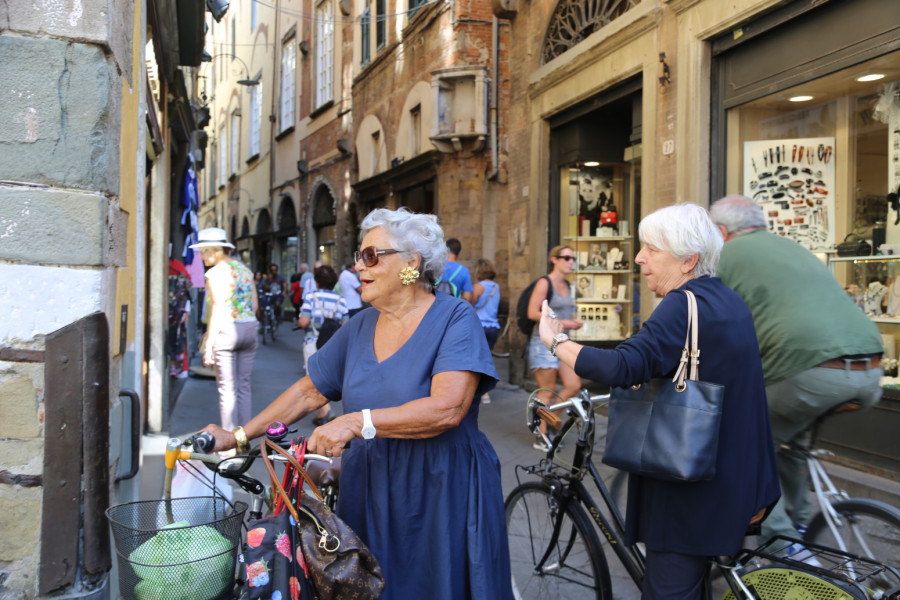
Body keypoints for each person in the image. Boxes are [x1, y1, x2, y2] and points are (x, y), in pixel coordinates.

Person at [201, 208, 513, 600]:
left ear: (411, 263)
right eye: (357, 255)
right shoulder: (360, 325)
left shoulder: (455, 318)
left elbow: (447, 408)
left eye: (370, 256)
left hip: (440, 487)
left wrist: (353, 422)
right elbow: (309, 391)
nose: (357, 266)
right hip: (370, 487)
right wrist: (238, 435)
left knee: (437, 585)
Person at [539, 203, 780, 600]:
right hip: (736, 478)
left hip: (690, 489)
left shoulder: (681, 306)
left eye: (651, 249)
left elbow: (622, 366)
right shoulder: (729, 302)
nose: (639, 258)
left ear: (689, 260)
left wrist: (556, 341)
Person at [710, 194, 883, 549]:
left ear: (720, 230)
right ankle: (799, 523)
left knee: (739, 447)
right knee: (788, 443)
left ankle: (784, 548)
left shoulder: (724, 255)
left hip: (811, 373)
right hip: (869, 368)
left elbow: (706, 321)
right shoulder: (793, 248)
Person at [190, 227, 259, 431]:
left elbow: (218, 309)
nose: (201, 257)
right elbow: (254, 305)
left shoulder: (214, 273)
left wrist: (209, 344)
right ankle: (244, 438)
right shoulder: (244, 270)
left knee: (227, 390)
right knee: (244, 386)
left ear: (214, 251)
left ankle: (229, 443)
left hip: (227, 331)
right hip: (249, 328)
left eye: (203, 251)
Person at [527, 245, 583, 451]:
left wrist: (570, 321)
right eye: (566, 257)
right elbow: (532, 312)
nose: (570, 262)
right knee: (547, 391)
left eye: (572, 258)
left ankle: (548, 422)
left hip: (562, 342)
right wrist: (566, 323)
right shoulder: (545, 282)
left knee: (573, 385)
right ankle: (541, 435)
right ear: (554, 259)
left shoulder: (567, 285)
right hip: (542, 342)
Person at [297, 264, 349, 425]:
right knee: (326, 378)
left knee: (313, 378)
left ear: (317, 282)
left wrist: (301, 320)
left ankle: (327, 411)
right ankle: (321, 414)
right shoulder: (341, 300)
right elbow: (346, 326)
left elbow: (304, 322)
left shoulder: (311, 298)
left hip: (313, 343)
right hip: (332, 345)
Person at [473, 258, 501, 404]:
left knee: (477, 359)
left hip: (479, 326)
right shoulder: (496, 286)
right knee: (487, 359)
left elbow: (469, 304)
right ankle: (486, 393)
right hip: (493, 328)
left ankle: (481, 392)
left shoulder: (478, 287)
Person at [439, 238, 475, 304]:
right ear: (459, 253)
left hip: (436, 307)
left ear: (444, 250)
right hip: (453, 309)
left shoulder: (435, 267)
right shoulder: (464, 271)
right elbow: (468, 297)